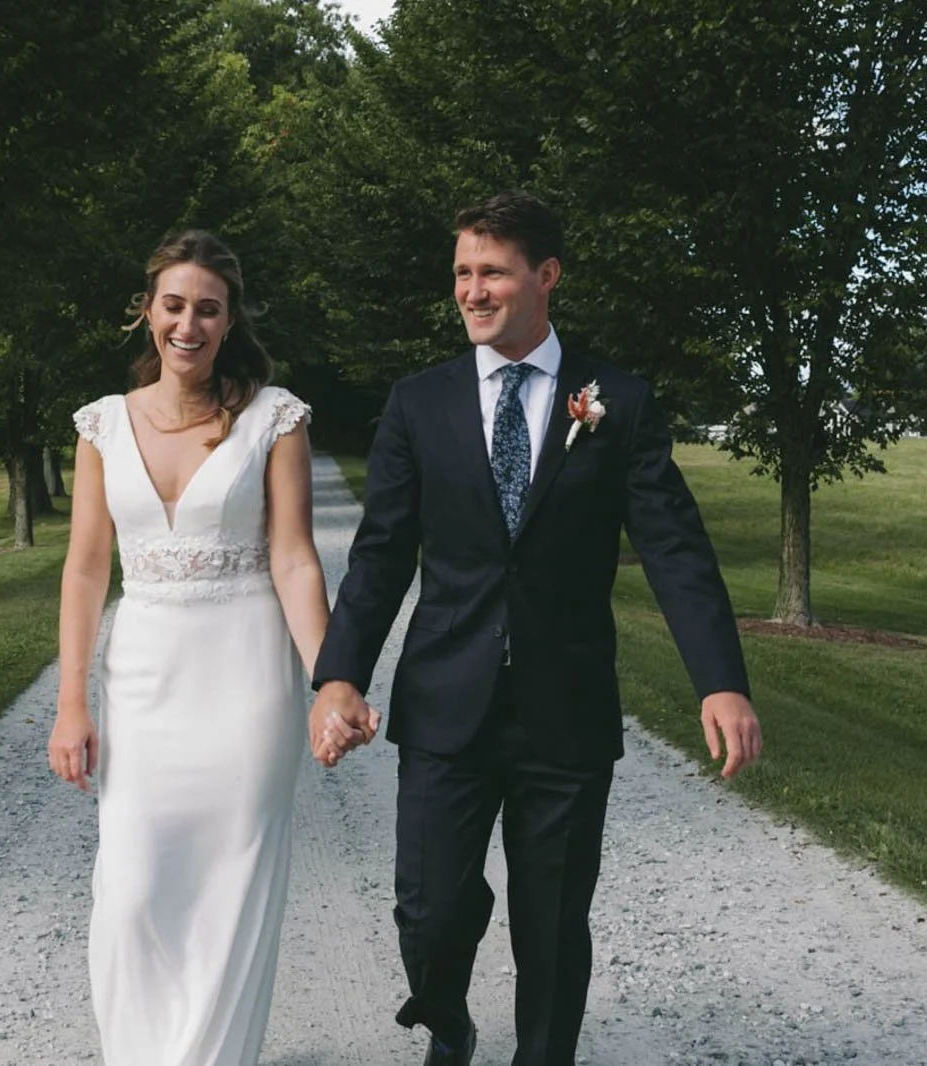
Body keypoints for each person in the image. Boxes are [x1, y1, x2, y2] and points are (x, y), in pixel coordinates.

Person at [307, 191, 763, 1066]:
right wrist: (340, 675)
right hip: (445, 702)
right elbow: (381, 556)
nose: (473, 292)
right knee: (430, 907)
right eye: (462, 274)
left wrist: (721, 679)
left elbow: (674, 547)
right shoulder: (419, 403)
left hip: (566, 705)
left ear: (545, 276)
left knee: (553, 921)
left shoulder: (614, 402)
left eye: (493, 273)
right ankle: (449, 1018)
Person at [47, 230, 374, 1066]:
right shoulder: (101, 427)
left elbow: (295, 559)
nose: (188, 324)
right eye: (173, 305)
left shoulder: (275, 417)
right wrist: (71, 703)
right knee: (130, 894)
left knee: (231, 892)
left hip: (244, 679)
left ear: (230, 322)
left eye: (208, 309)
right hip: (143, 678)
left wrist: (330, 682)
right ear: (146, 312)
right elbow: (86, 572)